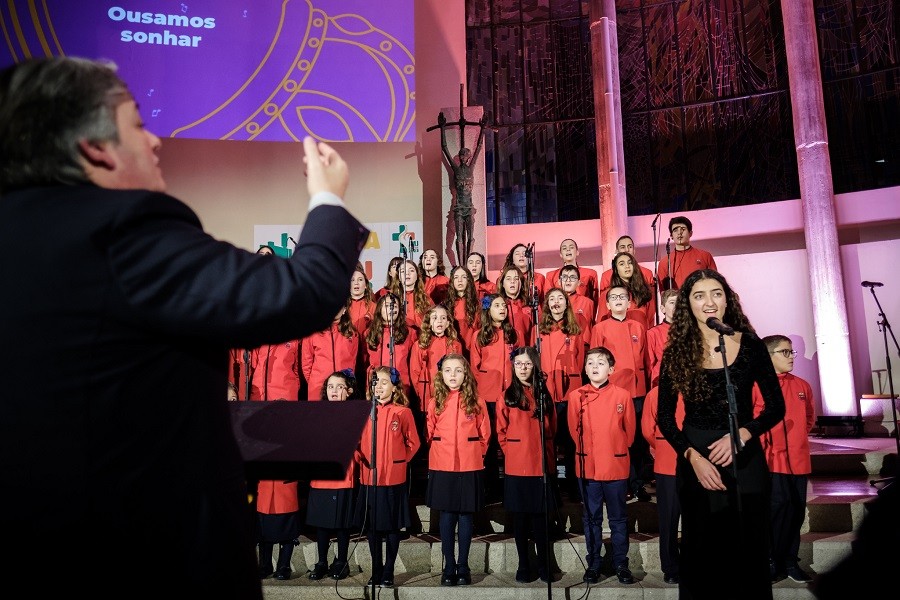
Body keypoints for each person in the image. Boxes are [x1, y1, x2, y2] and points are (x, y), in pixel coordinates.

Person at [0, 56, 366, 598]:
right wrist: (328, 197)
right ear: (94, 147)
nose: (155, 142)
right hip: (151, 559)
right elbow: (299, 293)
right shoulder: (125, 228)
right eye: (138, 123)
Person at [656, 269, 785, 600]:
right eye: (699, 296)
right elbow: (666, 418)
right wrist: (692, 457)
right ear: (688, 305)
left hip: (744, 457)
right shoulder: (676, 352)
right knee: (702, 548)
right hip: (697, 458)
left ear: (727, 299)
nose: (709, 302)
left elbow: (775, 407)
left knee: (750, 545)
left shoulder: (751, 345)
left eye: (716, 293)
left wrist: (742, 432)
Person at [565, 347, 636, 585]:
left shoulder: (623, 395)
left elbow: (630, 434)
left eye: (601, 363)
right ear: (585, 369)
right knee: (591, 518)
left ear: (611, 369)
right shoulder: (577, 396)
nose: (595, 367)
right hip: (589, 465)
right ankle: (593, 563)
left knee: (617, 518)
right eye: (590, 363)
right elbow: (574, 431)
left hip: (615, 464)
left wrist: (613, 447)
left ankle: (620, 563)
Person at [753, 335, 815, 583]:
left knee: (796, 510)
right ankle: (770, 560)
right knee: (777, 508)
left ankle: (790, 560)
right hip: (772, 460)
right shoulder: (757, 386)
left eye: (792, 352)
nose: (791, 357)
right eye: (785, 352)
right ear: (769, 357)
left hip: (799, 459)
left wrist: (798, 436)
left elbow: (809, 418)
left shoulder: (802, 385)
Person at [425, 354, 491, 587]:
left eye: (458, 371)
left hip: (469, 463)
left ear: (466, 375)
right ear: (441, 375)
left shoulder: (477, 401)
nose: (453, 375)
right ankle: (449, 565)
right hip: (443, 464)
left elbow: (485, 435)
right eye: (448, 371)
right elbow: (429, 432)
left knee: (465, 516)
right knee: (447, 515)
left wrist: (473, 452)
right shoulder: (435, 402)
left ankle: (463, 565)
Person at [355, 366, 421, 588]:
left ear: (394, 388)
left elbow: (414, 443)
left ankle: (389, 570)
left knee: (392, 527)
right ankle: (376, 568)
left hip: (393, 479)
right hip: (369, 478)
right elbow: (353, 441)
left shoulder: (402, 412)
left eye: (384, 382)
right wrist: (358, 457)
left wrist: (399, 462)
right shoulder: (363, 411)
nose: (379, 386)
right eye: (376, 382)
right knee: (373, 527)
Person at [497, 346, 557, 584]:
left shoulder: (543, 393)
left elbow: (552, 426)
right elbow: (500, 430)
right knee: (520, 520)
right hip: (517, 464)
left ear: (535, 366)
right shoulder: (507, 395)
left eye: (527, 364)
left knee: (540, 520)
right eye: (518, 364)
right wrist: (513, 450)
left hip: (539, 464)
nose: (523, 368)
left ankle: (544, 564)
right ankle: (524, 564)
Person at [590, 285, 652, 502]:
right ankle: (621, 483)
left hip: (637, 391)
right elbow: (595, 361)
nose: (618, 300)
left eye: (622, 297)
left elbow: (646, 360)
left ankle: (638, 484)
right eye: (613, 297)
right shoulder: (600, 328)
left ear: (629, 302)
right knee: (617, 439)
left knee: (637, 441)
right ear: (607, 305)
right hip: (613, 392)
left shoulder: (638, 326)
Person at [306, 370, 360, 581]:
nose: (334, 391)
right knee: (322, 523)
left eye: (339, 387)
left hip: (343, 476)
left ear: (348, 391)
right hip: (321, 477)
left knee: (342, 523)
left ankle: (341, 561)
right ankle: (321, 561)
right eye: (330, 387)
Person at [470, 294, 518, 498]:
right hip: (488, 394)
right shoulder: (479, 335)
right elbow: (474, 366)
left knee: (509, 440)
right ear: (488, 310)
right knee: (489, 443)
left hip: (509, 394)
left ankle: (511, 485)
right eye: (497, 305)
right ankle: (490, 486)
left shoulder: (512, 334)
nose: (502, 309)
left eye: (504, 306)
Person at [641, 385, 683, 585]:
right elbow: (648, 429)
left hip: (698, 463)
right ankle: (671, 566)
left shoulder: (699, 387)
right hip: (667, 462)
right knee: (668, 519)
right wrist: (664, 447)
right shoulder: (656, 393)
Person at [438, 112, 487, 264]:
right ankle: (460, 266)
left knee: (470, 238)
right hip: (458, 208)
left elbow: (479, 147)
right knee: (458, 239)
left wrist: (483, 129)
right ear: (460, 157)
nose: (465, 159)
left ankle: (467, 266)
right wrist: (442, 128)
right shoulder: (456, 169)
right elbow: (445, 148)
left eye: (467, 156)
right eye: (462, 156)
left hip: (469, 207)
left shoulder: (471, 168)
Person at [301, 304, 359, 400]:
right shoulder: (312, 332)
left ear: (344, 309)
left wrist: (347, 383)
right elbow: (306, 364)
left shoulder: (351, 333)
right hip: (318, 389)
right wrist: (316, 382)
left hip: (343, 389)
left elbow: (353, 362)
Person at [364, 293, 413, 397]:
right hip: (377, 385)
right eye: (387, 306)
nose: (391, 309)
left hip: (400, 385)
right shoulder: (369, 333)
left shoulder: (409, 333)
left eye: (394, 306)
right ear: (379, 309)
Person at [598, 252, 657, 329]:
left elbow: (650, 320)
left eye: (630, 263)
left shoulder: (645, 292)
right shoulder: (608, 294)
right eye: (622, 264)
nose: (627, 266)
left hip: (642, 336)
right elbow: (601, 323)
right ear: (616, 269)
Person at [656, 216, 717, 291]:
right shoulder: (665, 262)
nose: (679, 233)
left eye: (683, 229)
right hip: (678, 302)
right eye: (675, 230)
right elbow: (664, 293)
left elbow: (715, 283)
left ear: (690, 233)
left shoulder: (705, 256)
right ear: (671, 236)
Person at [545, 238, 599, 305]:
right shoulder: (551, 275)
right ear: (561, 254)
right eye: (564, 248)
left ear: (577, 252)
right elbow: (548, 300)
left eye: (571, 247)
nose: (568, 250)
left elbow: (595, 301)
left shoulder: (590, 274)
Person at [444, 265, 479, 355]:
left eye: (463, 277)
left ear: (469, 280)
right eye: (456, 277)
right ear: (452, 281)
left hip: (473, 350)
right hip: (453, 351)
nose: (460, 280)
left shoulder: (477, 305)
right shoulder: (445, 305)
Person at [646, 289, 678, 387]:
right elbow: (649, 365)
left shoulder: (691, 330)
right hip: (661, 380)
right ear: (663, 308)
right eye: (672, 302)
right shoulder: (653, 333)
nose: (677, 306)